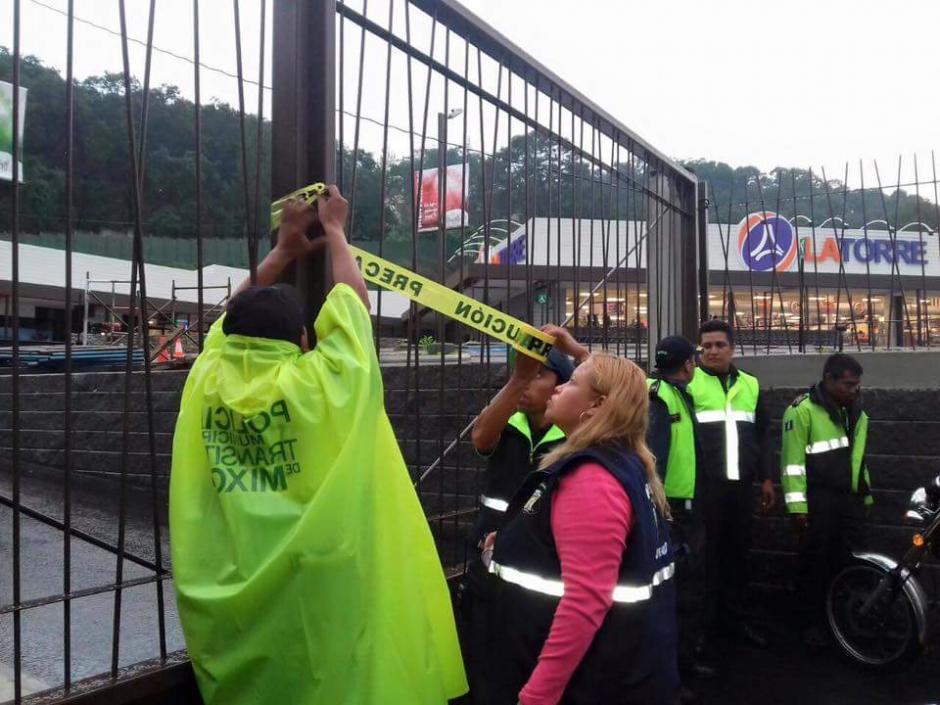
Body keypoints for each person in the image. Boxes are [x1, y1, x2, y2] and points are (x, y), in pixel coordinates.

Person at [169, 186, 467, 705]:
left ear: (231, 338)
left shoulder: (207, 377)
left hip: (231, 593)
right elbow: (353, 303)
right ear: (305, 341)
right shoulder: (322, 383)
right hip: (323, 585)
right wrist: (334, 230)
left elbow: (234, 316)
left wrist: (283, 251)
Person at [486, 347, 679, 705]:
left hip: (588, 681)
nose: (558, 388)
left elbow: (585, 602)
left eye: (571, 382)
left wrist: (538, 695)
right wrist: (516, 541)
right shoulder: (620, 462)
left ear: (596, 406)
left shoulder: (592, 479)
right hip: (620, 672)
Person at [461, 331, 582, 704]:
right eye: (524, 375)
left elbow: (621, 395)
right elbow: (481, 437)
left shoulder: (577, 433)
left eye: (539, 375)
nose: (528, 384)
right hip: (488, 565)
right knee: (482, 662)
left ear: (561, 386)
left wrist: (576, 351)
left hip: (540, 577)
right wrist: (518, 378)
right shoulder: (508, 421)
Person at [687, 319, 774, 656]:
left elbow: (764, 433)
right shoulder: (690, 384)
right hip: (705, 488)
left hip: (741, 487)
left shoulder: (750, 385)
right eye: (705, 346)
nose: (711, 351)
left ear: (732, 348)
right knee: (704, 559)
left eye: (719, 345)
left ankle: (735, 623)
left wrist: (766, 477)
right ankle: (702, 632)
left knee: (738, 556)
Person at [781, 353, 871, 646]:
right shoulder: (801, 411)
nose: (854, 390)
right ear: (829, 380)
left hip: (847, 500)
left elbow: (857, 459)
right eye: (848, 384)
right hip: (818, 503)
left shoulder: (854, 411)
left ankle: (837, 625)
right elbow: (791, 465)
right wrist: (798, 510)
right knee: (814, 566)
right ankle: (808, 625)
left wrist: (864, 495)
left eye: (857, 385)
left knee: (844, 562)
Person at [647, 336, 714, 686]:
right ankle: (674, 675)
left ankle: (683, 666)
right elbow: (652, 459)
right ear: (688, 364)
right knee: (679, 595)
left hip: (683, 510)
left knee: (687, 592)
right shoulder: (658, 397)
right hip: (672, 515)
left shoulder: (670, 393)